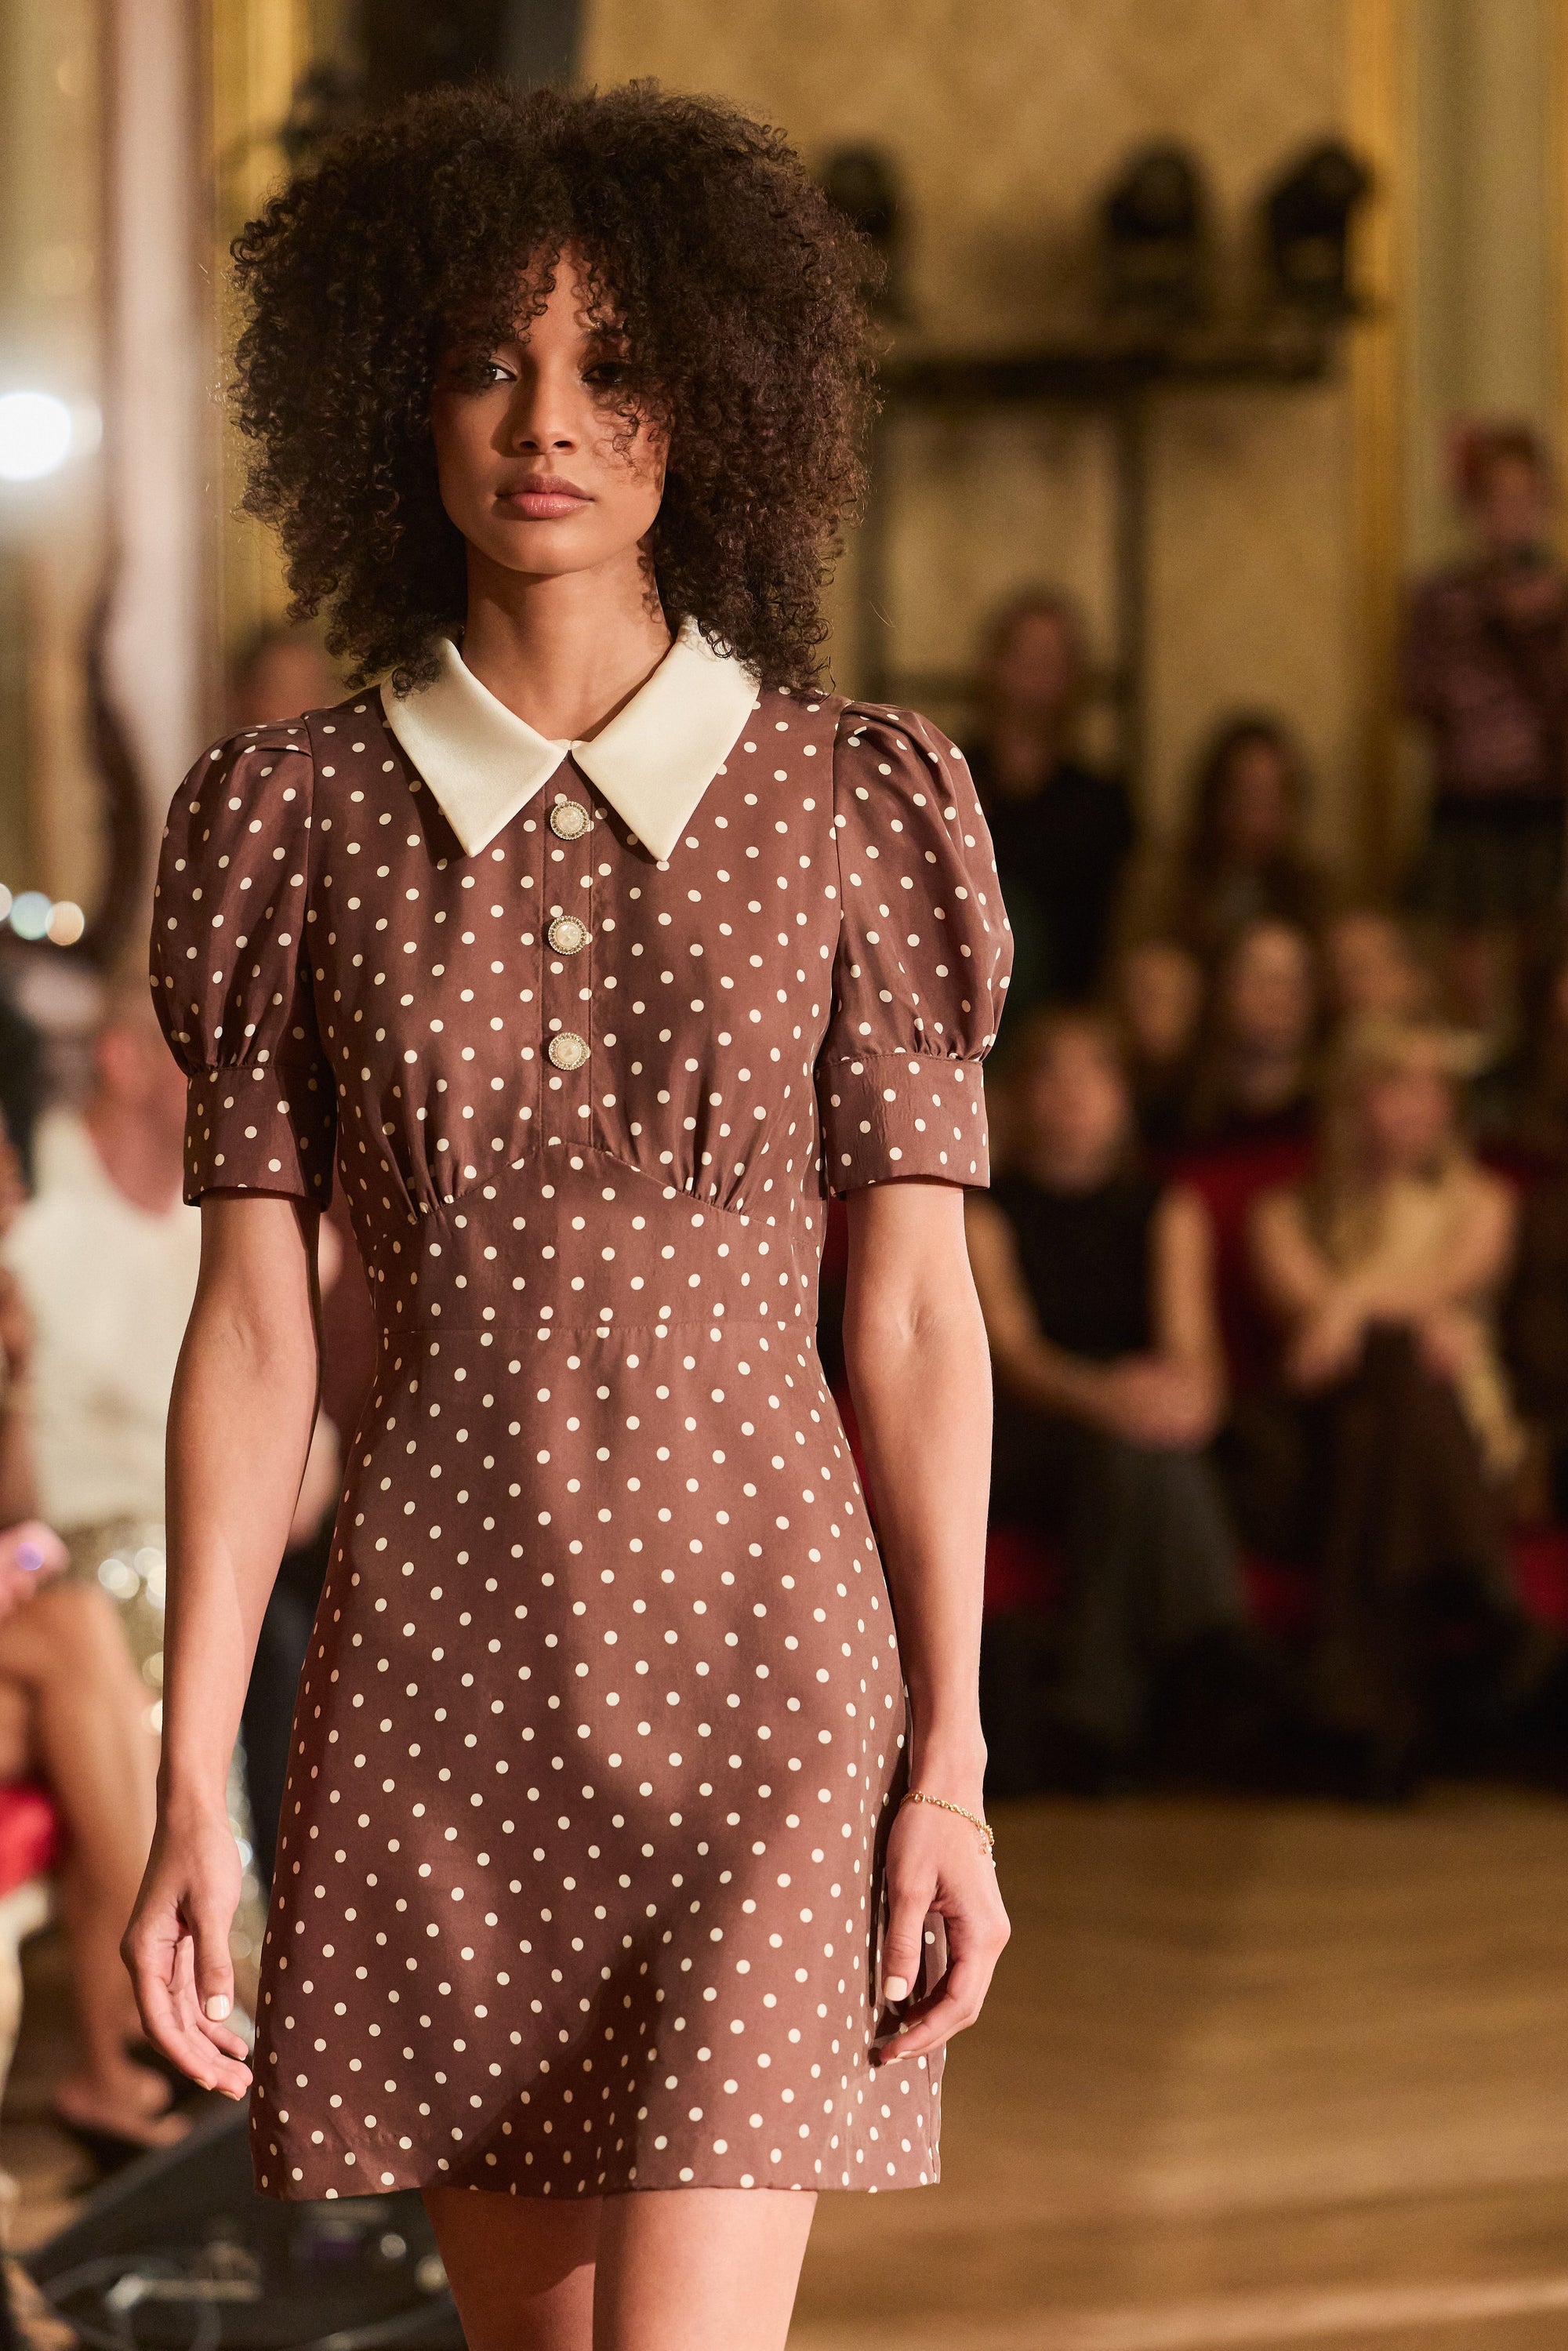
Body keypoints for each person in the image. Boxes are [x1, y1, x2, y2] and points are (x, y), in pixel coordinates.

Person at [125, 82, 1011, 2351]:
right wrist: (191, 1782)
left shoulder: (855, 800)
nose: (546, 422)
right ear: (389, 404)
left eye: (613, 366)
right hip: (434, 1681)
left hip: (768, 1680)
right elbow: (253, 1336)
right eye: (483, 362)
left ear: (709, 405)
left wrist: (950, 1753)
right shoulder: (285, 823)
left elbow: (915, 1317)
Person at [1246, 1017, 1547, 1794]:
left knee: (1390, 1391)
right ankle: (1482, 1590)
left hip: (1459, 1438)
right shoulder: (1283, 1211)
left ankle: (1364, 1715)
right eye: (1395, 1083)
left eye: (1433, 1087)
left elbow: (1440, 1283)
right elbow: (1302, 1305)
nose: (1419, 1104)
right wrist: (1390, 1318)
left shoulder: (1486, 1201)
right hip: (1315, 1444)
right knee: (1391, 1373)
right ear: (1350, 1098)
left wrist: (1351, 1306)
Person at [967, 1014, 1256, 1790]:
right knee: (1133, 1451)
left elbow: (1191, 1347)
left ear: (1123, 1098)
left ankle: (1097, 1709)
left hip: (1135, 1419)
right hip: (1034, 1419)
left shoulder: (1165, 1205)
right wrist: (1108, 1398)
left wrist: (1185, 1401)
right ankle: (1216, 1647)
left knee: (1142, 1455)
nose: (1072, 1092)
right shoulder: (984, 1209)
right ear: (1021, 1096)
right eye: (1052, 1073)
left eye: (1093, 1073)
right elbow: (1017, 1356)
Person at [1403, 423, 1568, 934]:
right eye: (1498, 499)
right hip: (1466, 801)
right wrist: (1487, 613)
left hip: (1543, 803)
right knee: (1465, 948)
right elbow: (1414, 696)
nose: (1511, 514)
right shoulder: (1440, 598)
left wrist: (1539, 631)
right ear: (1475, 507)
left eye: (1525, 499)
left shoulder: (1562, 603)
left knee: (1542, 947)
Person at [966, 589, 1134, 1010]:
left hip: (1071, 1015)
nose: (1037, 678)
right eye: (1025, 658)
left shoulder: (1102, 807)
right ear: (993, 667)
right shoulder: (947, 788)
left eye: (1052, 662)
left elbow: (1119, 938)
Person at [1148, 714, 1334, 965]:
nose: (1262, 819)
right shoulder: (1167, 888)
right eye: (1250, 798)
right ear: (1217, 799)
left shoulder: (1314, 892)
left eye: (1276, 800)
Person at [1184, 917, 1319, 1148]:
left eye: (1292, 980)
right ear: (1224, 988)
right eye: (1258, 977)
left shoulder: (1337, 1120)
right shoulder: (1182, 1117)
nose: (1276, 996)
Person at [1108, 937, 1203, 1152]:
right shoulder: (1100, 1092)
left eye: (1173, 997)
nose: (1158, 1012)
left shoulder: (1215, 1102)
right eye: (1147, 996)